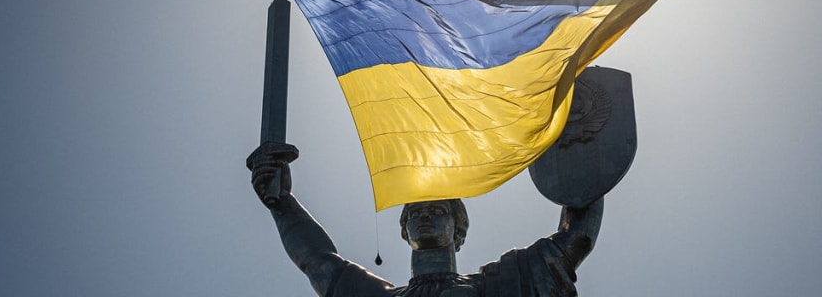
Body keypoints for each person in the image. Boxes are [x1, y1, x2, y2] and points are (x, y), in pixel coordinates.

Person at [249, 145, 603, 297]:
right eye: (415, 213)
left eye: (436, 211)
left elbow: (574, 241)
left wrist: (588, 162)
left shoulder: (498, 284)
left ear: (458, 227)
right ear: (404, 230)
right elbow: (319, 262)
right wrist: (281, 202)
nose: (424, 217)